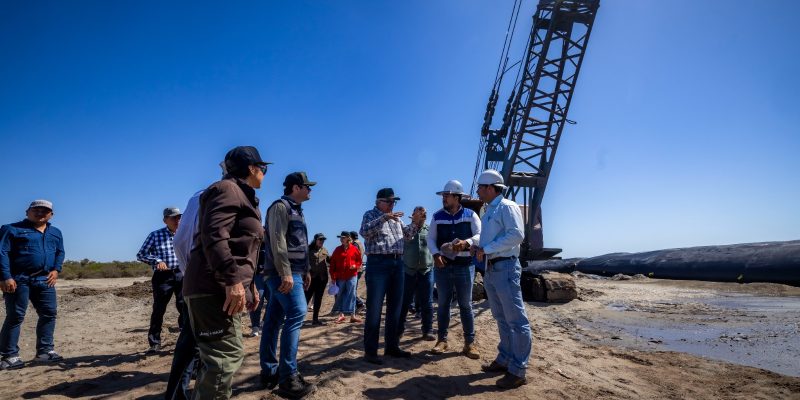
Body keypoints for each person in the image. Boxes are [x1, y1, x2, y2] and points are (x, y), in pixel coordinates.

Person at [183, 145, 267, 399]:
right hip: (212, 288)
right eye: (263, 168)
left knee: (219, 359)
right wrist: (233, 280)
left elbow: (241, 247)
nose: (265, 173)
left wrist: (248, 285)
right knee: (224, 357)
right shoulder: (226, 189)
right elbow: (214, 236)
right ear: (252, 168)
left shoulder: (241, 193)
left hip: (221, 288)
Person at [471, 169, 530, 389]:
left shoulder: (507, 207)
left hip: (505, 266)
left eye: (479, 187)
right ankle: (505, 359)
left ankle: (518, 369)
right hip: (492, 268)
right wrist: (473, 245)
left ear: (489, 187)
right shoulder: (488, 210)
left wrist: (487, 248)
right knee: (502, 318)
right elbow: (487, 238)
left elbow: (516, 235)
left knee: (516, 320)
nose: (477, 191)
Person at [260, 172, 316, 398]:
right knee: (297, 313)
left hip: (294, 272)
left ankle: (270, 373)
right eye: (307, 187)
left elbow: (300, 245)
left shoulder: (297, 210)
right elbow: (277, 242)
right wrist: (286, 273)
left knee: (273, 321)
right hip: (283, 274)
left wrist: (307, 269)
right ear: (295, 187)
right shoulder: (280, 207)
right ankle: (288, 378)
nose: (310, 190)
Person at [359, 188, 425, 365]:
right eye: (389, 201)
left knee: (395, 308)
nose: (392, 204)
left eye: (393, 202)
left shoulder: (397, 219)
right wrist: (384, 218)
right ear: (378, 201)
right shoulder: (370, 215)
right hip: (378, 264)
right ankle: (371, 351)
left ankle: (392, 346)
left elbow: (408, 236)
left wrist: (417, 222)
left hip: (397, 264)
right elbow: (364, 232)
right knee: (374, 309)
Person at [0, 200, 64, 370]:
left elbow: (60, 252)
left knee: (49, 314)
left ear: (51, 214)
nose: (40, 212)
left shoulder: (56, 232)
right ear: (27, 211)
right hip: (18, 279)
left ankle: (45, 352)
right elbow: (2, 253)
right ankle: (9, 356)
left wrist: (56, 270)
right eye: (36, 209)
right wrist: (5, 277)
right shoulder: (11, 229)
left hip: (45, 280)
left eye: (45, 210)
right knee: (15, 316)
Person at [427, 180, 481, 359]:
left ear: (457, 197)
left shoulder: (471, 215)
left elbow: (480, 235)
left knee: (466, 305)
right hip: (443, 267)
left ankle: (469, 344)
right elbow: (431, 240)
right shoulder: (436, 217)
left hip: (465, 267)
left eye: (447, 195)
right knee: (443, 304)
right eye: (443, 195)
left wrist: (468, 242)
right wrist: (436, 255)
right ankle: (442, 340)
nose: (444, 198)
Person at [165, 190, 202, 400]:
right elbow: (181, 242)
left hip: (190, 279)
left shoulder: (199, 198)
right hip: (200, 283)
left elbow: (179, 242)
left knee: (192, 339)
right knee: (192, 339)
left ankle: (180, 392)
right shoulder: (206, 198)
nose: (177, 220)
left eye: (179, 217)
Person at [137, 207, 185, 354]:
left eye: (179, 217)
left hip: (182, 274)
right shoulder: (155, 235)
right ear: (165, 220)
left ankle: (185, 340)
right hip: (163, 276)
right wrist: (157, 260)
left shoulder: (185, 234)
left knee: (185, 307)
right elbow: (141, 254)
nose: (177, 220)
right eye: (173, 218)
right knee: (159, 309)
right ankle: (154, 342)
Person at [397, 206, 435, 342]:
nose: (420, 217)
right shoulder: (406, 230)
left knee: (427, 302)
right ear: (412, 216)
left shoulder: (431, 230)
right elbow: (404, 242)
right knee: (404, 302)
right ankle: (399, 330)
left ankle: (428, 330)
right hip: (408, 270)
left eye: (422, 214)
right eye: (417, 214)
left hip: (427, 270)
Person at [329, 231, 362, 324]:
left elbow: (359, 261)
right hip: (340, 276)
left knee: (352, 294)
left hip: (352, 275)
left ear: (348, 238)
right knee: (340, 295)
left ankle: (353, 316)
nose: (341, 239)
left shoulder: (354, 249)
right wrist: (333, 276)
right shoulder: (337, 249)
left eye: (343, 237)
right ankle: (341, 315)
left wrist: (355, 266)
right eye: (340, 237)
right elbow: (332, 264)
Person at [305, 233, 329, 326]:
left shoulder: (325, 251)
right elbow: (304, 263)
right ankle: (299, 319)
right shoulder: (308, 249)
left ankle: (315, 319)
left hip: (322, 279)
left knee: (318, 300)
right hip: (310, 279)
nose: (322, 241)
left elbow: (330, 261)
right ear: (315, 240)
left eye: (323, 240)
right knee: (306, 299)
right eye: (320, 239)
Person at [350, 231, 366, 312]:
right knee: (353, 288)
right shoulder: (360, 243)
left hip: (355, 268)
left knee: (351, 289)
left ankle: (360, 304)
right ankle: (358, 305)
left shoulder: (354, 244)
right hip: (360, 268)